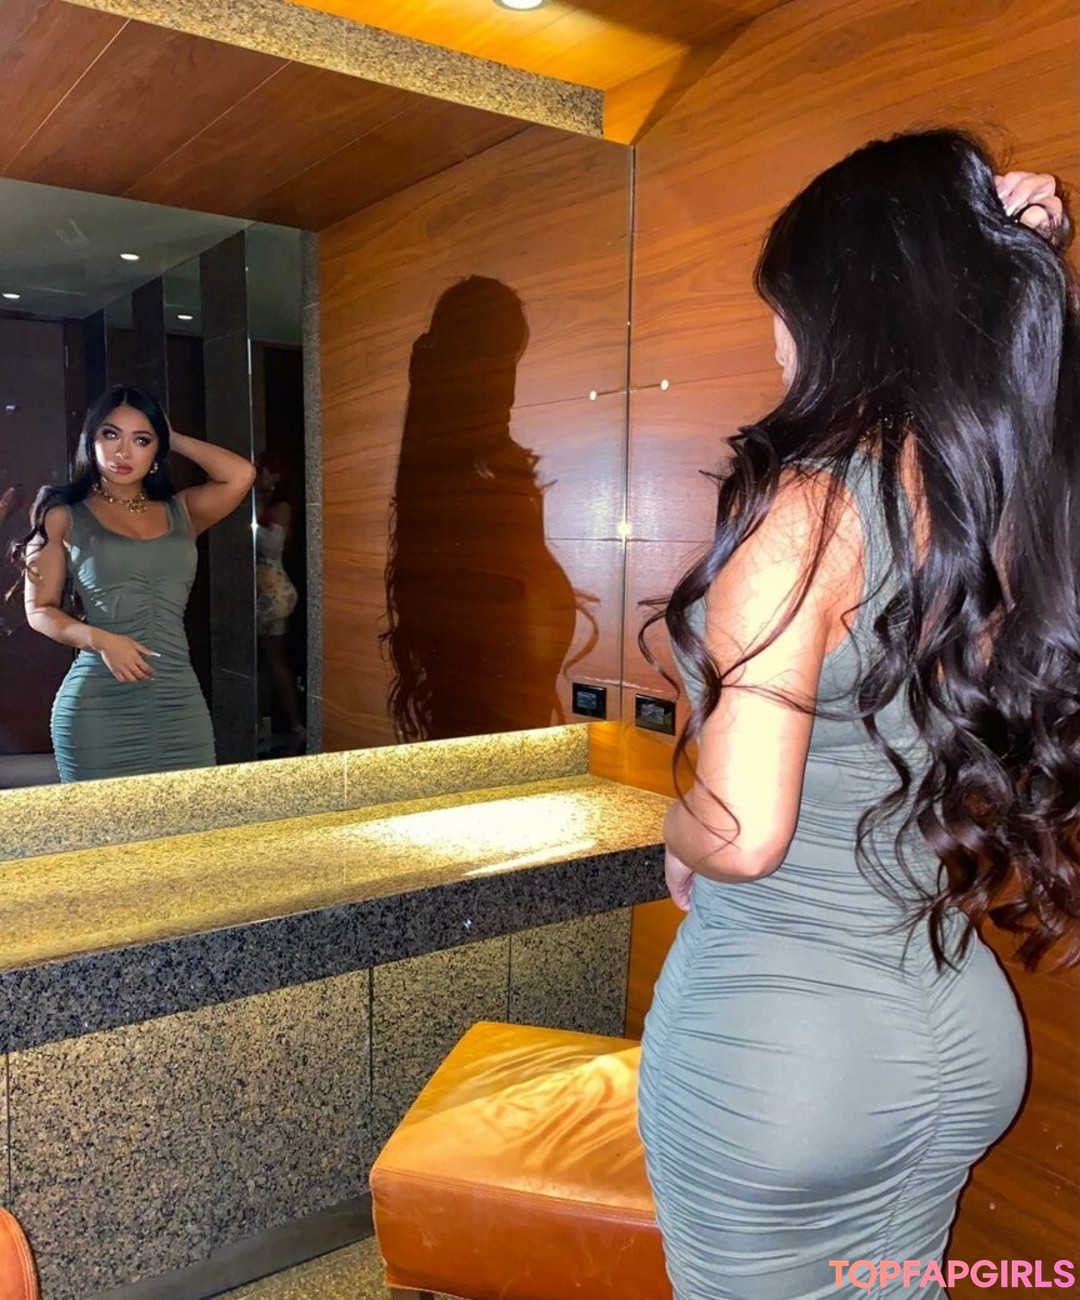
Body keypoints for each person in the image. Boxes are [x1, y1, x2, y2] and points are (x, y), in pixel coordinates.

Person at [636, 131, 1079, 1300]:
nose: (776, 341)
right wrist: (1032, 274)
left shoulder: (807, 506)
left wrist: (672, 831)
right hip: (956, 1022)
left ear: (849, 304)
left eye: (785, 308)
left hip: (786, 1053)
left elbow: (742, 835)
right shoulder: (1010, 512)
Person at [12, 386, 255, 782]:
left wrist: (172, 436)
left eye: (141, 440)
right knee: (103, 822)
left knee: (191, 815)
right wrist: (102, 640)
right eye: (110, 434)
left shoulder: (183, 511)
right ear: (91, 440)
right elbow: (39, 610)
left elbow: (241, 475)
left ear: (157, 450)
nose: (123, 452)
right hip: (98, 705)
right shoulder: (63, 515)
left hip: (178, 699)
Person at [254, 450, 305, 754]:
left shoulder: (281, 507)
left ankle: (293, 724)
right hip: (269, 590)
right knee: (270, 661)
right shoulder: (268, 504)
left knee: (273, 660)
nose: (259, 474)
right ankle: (279, 723)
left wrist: (258, 508)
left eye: (264, 469)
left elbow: (271, 545)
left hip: (273, 591)